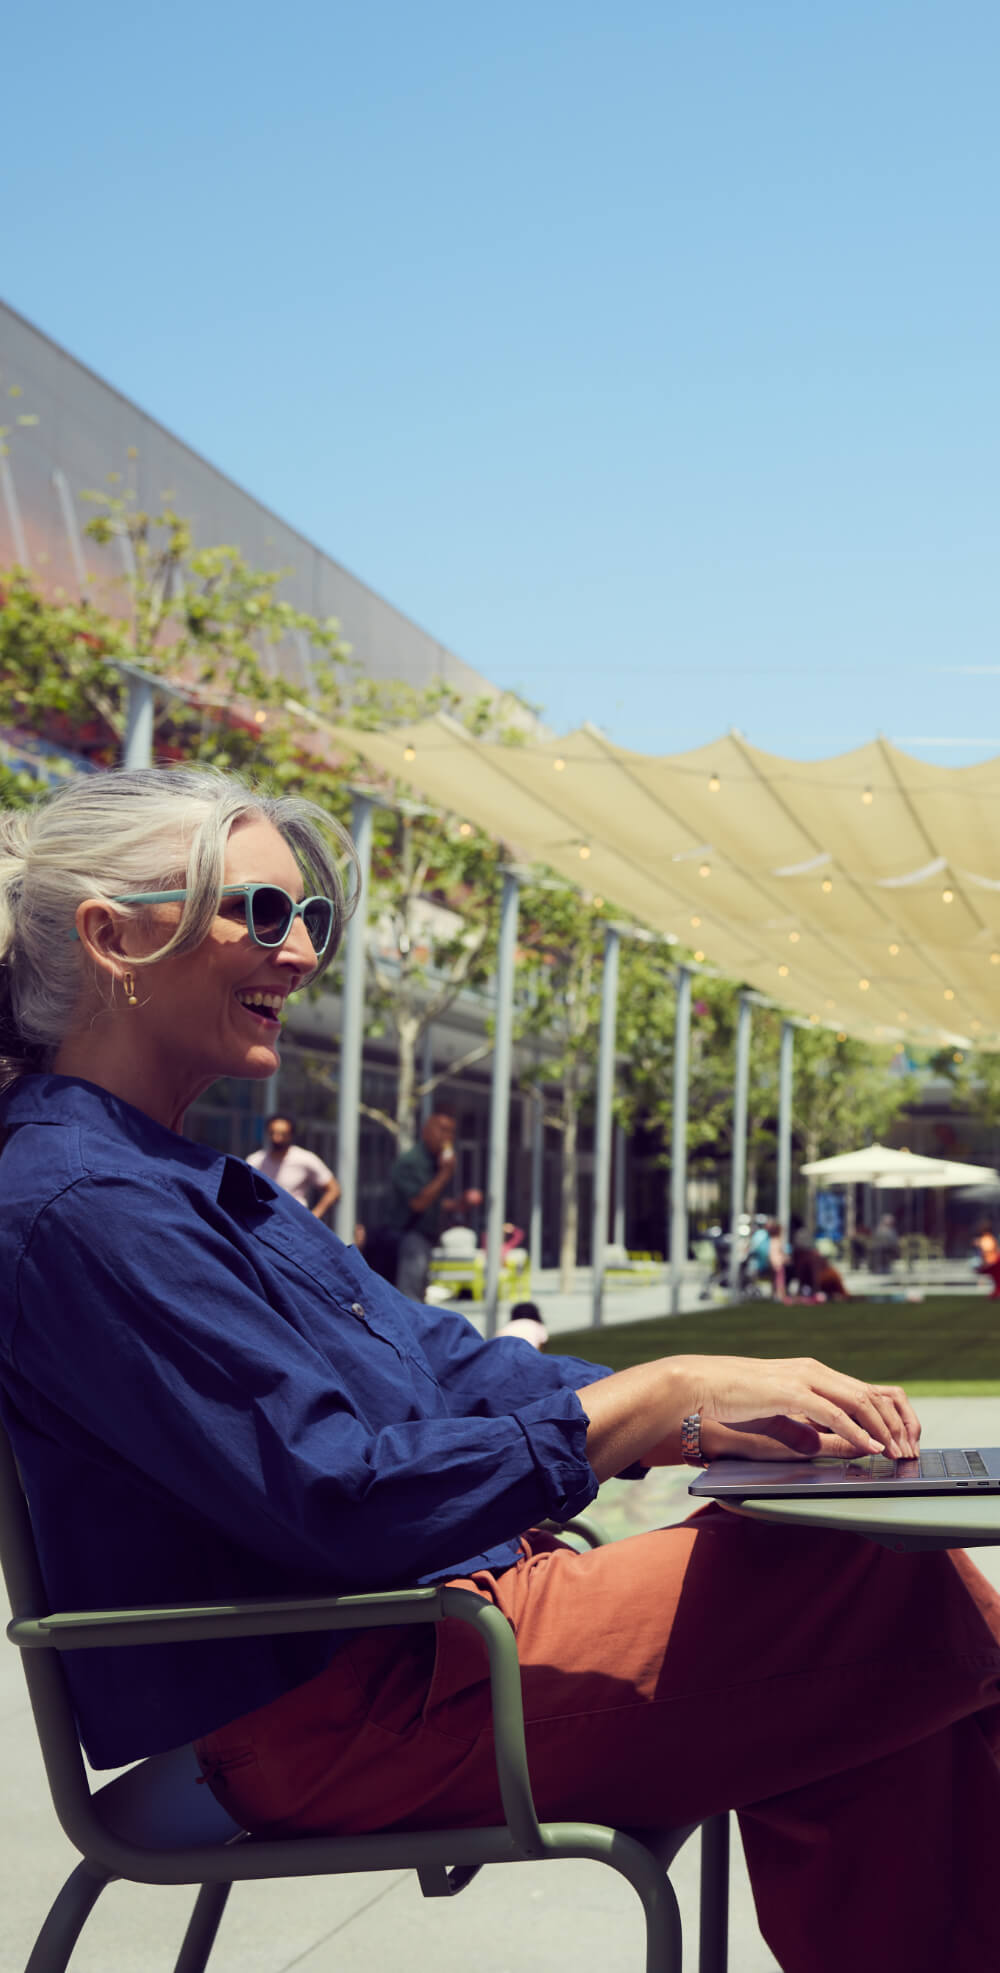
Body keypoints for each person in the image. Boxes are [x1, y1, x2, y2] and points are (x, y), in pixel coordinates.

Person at [1, 766, 1000, 1973]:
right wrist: (654, 1399)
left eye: (308, 916)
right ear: (113, 937)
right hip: (330, 1706)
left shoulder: (186, 1182)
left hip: (421, 1646)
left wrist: (700, 1413)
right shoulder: (85, 1205)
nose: (301, 952)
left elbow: (448, 1362)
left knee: (862, 1644)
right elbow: (339, 1492)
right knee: (882, 1586)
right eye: (259, 911)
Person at [382, 1111, 483, 1302]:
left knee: (420, 1292)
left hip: (426, 1237)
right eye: (442, 1130)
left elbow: (435, 1203)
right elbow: (418, 1203)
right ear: (426, 1131)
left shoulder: (434, 1162)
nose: (447, 1137)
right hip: (408, 1237)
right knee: (409, 1296)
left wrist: (461, 1203)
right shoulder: (412, 1162)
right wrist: (445, 1174)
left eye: (451, 1132)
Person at [248, 1113, 341, 1220]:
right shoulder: (254, 1161)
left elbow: (334, 1190)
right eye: (273, 1133)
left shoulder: (305, 1159)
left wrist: (314, 1216)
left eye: (283, 1134)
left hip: (295, 1221)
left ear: (291, 1135)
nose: (277, 1138)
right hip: (263, 1220)